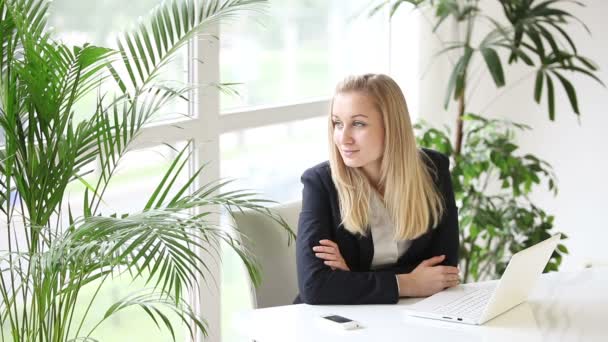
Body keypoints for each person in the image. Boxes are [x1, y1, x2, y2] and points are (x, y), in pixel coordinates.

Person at [294, 74, 459, 305]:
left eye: (358, 124)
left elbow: (443, 271)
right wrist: (408, 283)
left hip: (408, 316)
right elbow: (315, 286)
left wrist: (352, 277)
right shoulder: (319, 183)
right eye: (337, 123)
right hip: (334, 322)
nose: (343, 138)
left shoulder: (433, 170)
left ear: (392, 126)